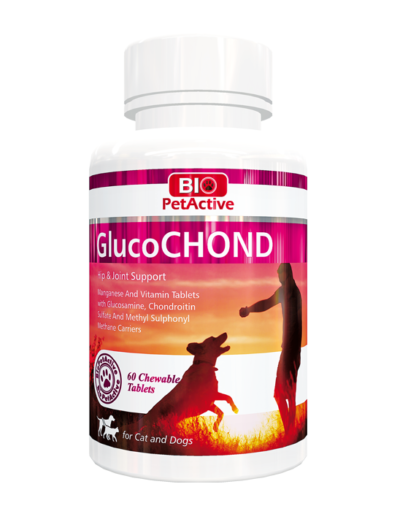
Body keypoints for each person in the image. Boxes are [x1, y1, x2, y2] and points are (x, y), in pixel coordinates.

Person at [239, 263, 302, 434]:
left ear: (286, 274)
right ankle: (289, 430)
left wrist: (248, 310)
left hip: (290, 350)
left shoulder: (288, 291)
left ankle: (289, 431)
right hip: (291, 349)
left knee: (283, 393)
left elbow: (266, 304)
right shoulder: (291, 291)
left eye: (279, 273)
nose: (278, 277)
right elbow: (268, 304)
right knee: (284, 393)